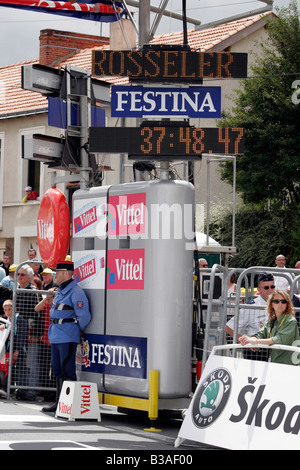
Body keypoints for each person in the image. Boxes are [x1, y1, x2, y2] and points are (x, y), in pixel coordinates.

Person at [42, 260, 91, 413]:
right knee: (57, 369)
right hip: (56, 334)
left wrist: (77, 329)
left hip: (67, 335)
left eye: (58, 272)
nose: (55, 275)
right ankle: (59, 403)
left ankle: (68, 405)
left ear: (66, 273)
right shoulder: (61, 290)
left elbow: (84, 316)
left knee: (67, 369)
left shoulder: (76, 292)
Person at [239, 289, 300, 366]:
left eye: (283, 301)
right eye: (276, 301)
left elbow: (279, 339)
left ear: (287, 304)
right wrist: (247, 339)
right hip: (275, 363)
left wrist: (255, 341)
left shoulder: (290, 320)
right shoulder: (270, 321)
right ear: (271, 304)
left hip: (289, 365)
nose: (280, 304)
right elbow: (259, 335)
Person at [225, 272, 276, 360]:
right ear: (259, 290)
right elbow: (229, 327)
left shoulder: (280, 304)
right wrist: (245, 342)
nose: (270, 290)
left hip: (275, 350)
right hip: (257, 353)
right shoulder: (251, 307)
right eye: (266, 287)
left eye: (272, 287)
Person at [15, 264, 41, 400]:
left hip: (30, 333)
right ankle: (21, 388)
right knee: (20, 362)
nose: (19, 276)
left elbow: (38, 315)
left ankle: (31, 390)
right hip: (18, 333)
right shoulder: (17, 290)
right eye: (18, 274)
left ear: (30, 277)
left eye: (22, 275)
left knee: (31, 362)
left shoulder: (33, 291)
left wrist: (36, 334)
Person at [0, 300, 28, 398]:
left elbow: (22, 335)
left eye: (9, 309)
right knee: (5, 369)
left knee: (20, 370)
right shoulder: (7, 320)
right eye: (5, 310)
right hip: (8, 349)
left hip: (17, 349)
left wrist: (17, 350)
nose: (7, 312)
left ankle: (21, 392)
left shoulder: (19, 319)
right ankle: (6, 389)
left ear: (14, 309)